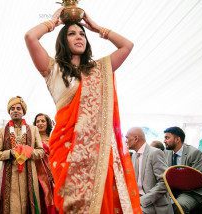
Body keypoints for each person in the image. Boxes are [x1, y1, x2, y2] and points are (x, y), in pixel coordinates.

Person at [25, 8, 141, 213]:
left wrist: (97, 28)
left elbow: (127, 46)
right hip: (66, 150)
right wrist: (53, 23)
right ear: (63, 40)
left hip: (97, 152)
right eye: (72, 34)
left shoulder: (98, 70)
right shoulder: (53, 69)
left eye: (82, 34)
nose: (79, 37)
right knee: (71, 206)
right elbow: (30, 37)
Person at [0, 96, 45, 213]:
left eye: (18, 108)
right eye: (12, 109)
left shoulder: (33, 129)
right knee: (12, 207)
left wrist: (28, 152)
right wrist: (10, 153)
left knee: (29, 204)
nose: (15, 111)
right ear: (9, 112)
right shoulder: (2, 131)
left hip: (29, 173)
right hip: (9, 174)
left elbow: (41, 151)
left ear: (23, 111)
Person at [164, 126, 202, 213]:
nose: (164, 141)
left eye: (167, 138)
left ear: (177, 139)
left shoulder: (194, 153)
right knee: (177, 207)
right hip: (187, 194)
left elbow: (196, 180)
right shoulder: (167, 153)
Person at [126, 127, 173, 213]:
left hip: (154, 203)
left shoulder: (155, 153)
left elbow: (165, 182)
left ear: (136, 139)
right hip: (137, 200)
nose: (125, 141)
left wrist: (142, 200)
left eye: (127, 137)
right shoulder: (133, 156)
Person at [33, 113, 56, 213]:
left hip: (52, 176)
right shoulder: (32, 140)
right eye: (37, 121)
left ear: (48, 123)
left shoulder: (54, 139)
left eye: (43, 121)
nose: (40, 123)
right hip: (36, 176)